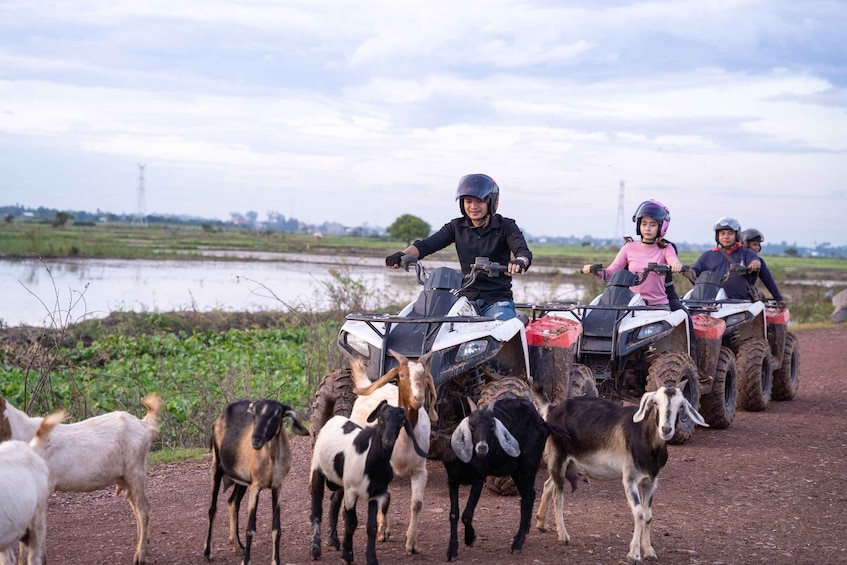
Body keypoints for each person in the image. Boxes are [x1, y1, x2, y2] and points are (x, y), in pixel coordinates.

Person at [385, 173, 532, 321]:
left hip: (497, 300)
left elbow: (523, 252)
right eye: (468, 201)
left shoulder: (506, 226)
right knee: (440, 329)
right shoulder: (456, 227)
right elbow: (425, 245)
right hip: (465, 299)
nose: (473, 206)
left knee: (501, 331)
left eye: (479, 201)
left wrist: (519, 262)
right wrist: (401, 255)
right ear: (462, 203)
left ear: (491, 202)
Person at [581, 199, 683, 306]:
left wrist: (676, 265)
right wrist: (594, 270)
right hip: (632, 305)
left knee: (684, 316)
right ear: (639, 226)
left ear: (661, 227)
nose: (647, 228)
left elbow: (673, 260)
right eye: (644, 224)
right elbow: (610, 273)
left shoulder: (666, 248)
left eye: (652, 225)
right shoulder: (628, 247)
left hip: (658, 305)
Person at [690, 217, 763, 300]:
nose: (726, 236)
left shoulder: (746, 253)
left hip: (740, 302)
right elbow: (694, 271)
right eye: (722, 233)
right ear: (717, 236)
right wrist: (685, 270)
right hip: (712, 301)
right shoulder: (708, 255)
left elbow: (755, 260)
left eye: (730, 233)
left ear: (737, 235)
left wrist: (754, 264)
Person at [741, 228, 785, 304]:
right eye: (754, 244)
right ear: (745, 245)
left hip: (746, 298)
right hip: (724, 299)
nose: (757, 247)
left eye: (758, 245)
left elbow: (768, 281)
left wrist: (779, 299)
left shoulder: (759, 262)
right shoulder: (734, 259)